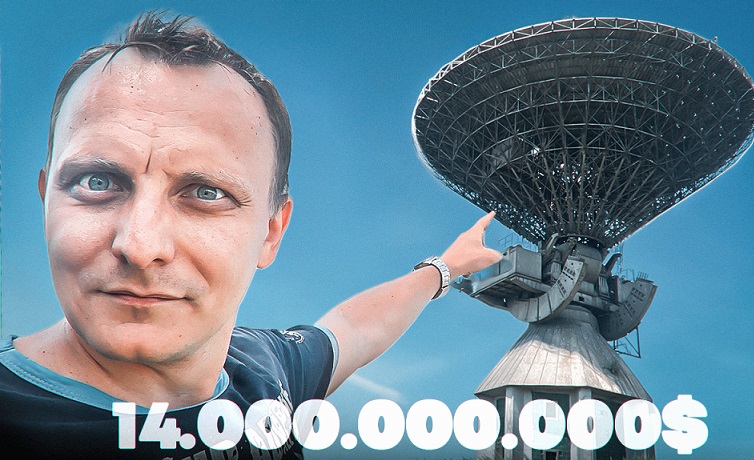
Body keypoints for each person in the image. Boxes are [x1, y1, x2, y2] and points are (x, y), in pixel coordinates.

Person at [0, 11, 503, 459]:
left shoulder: (265, 371)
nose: (140, 246)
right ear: (46, 201)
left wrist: (447, 266)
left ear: (271, 232)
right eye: (97, 182)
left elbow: (355, 329)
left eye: (206, 193)